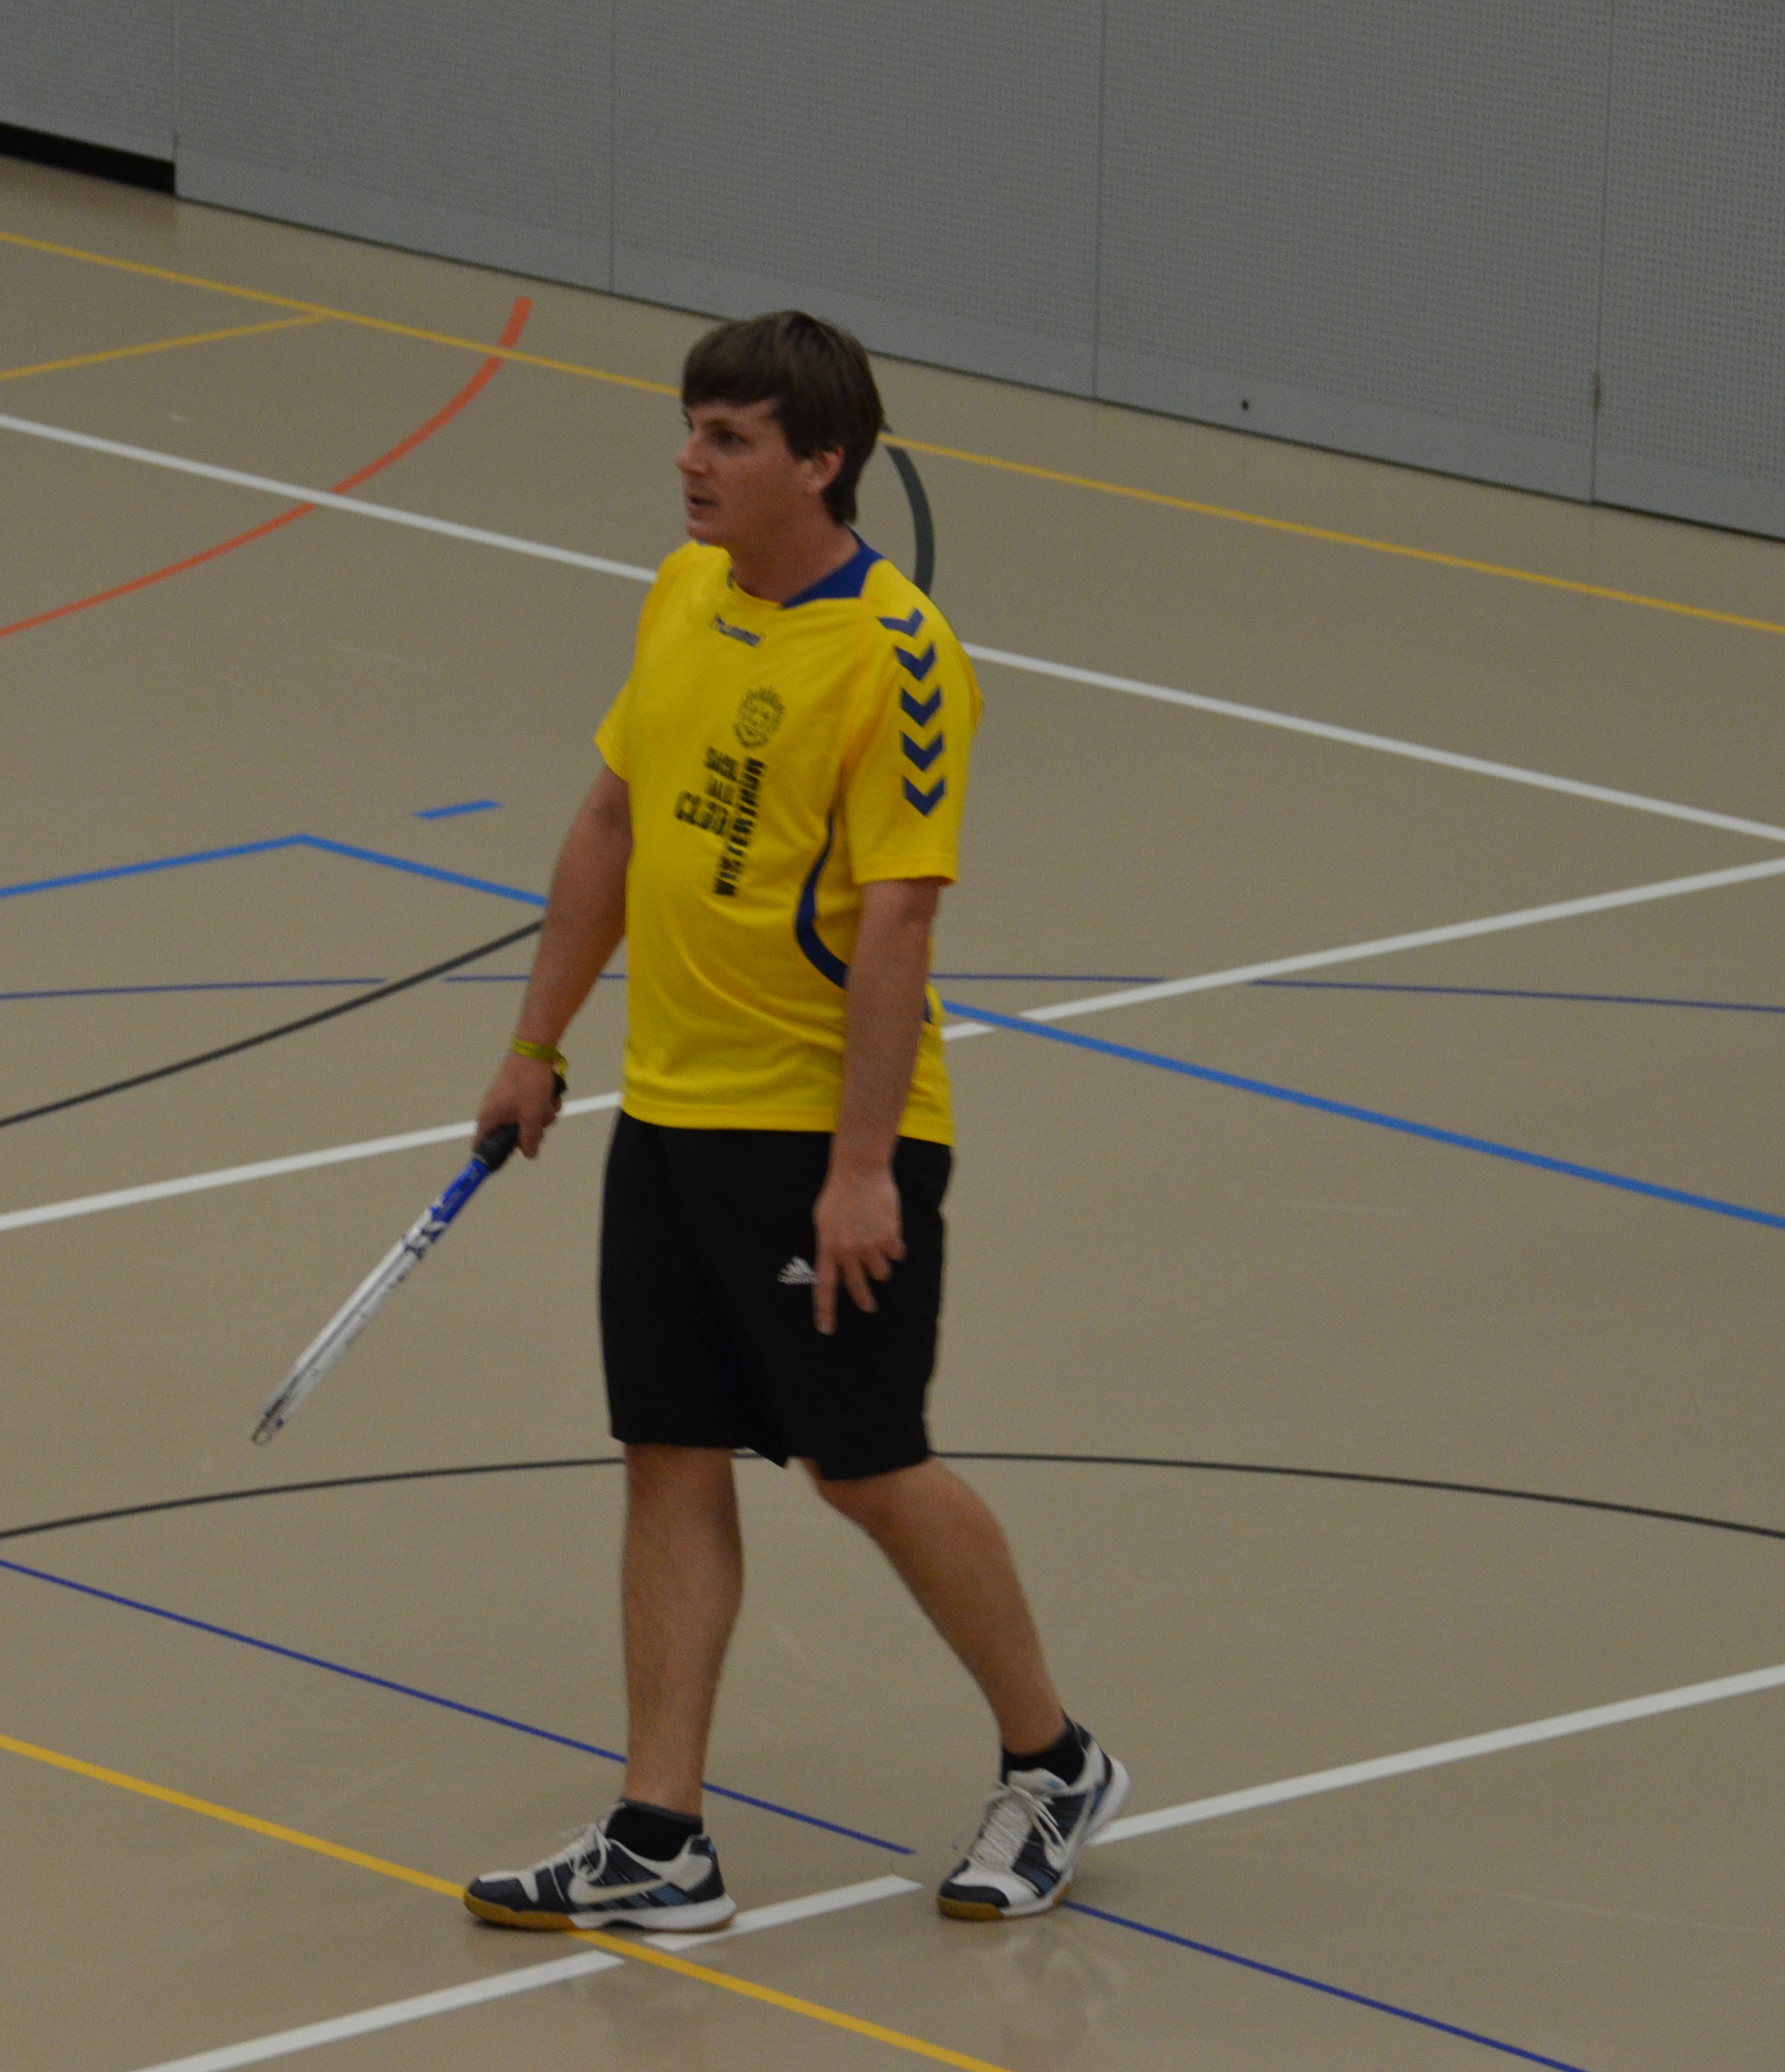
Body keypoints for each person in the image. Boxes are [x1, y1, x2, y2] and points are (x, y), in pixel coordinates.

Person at [459, 312, 1128, 1933]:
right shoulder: (682, 592)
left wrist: (860, 1168)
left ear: (821, 462)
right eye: (690, 427)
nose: (690, 461)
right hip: (671, 1112)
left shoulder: (899, 659)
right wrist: (537, 1039)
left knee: (864, 1463)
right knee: (668, 1454)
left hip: (823, 1130)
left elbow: (900, 921)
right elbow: (613, 817)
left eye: (731, 438)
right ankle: (658, 1837)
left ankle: (1053, 1762)